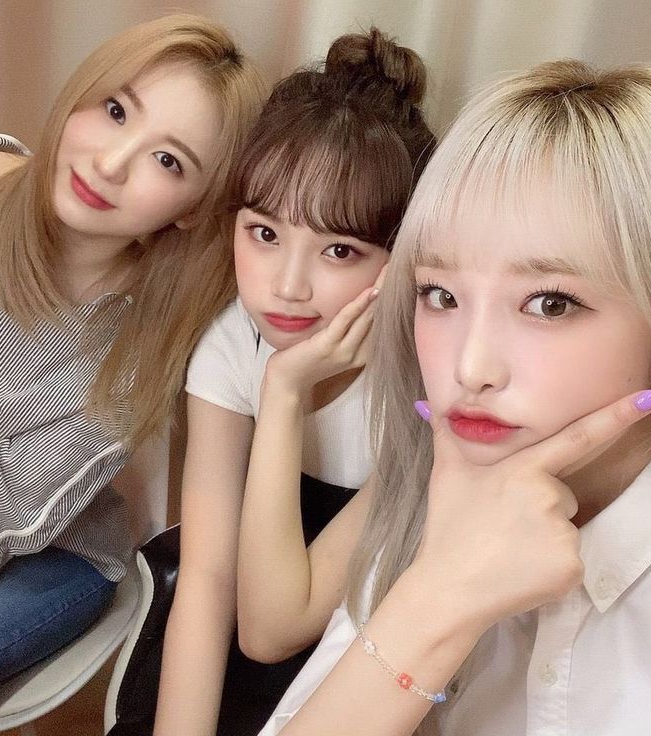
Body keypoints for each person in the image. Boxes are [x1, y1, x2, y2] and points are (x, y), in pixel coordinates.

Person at [258, 59, 651, 736]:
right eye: (440, 295)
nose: (470, 368)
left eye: (550, 303)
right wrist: (438, 601)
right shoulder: (438, 498)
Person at [0, 14, 262, 695]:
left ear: (193, 208)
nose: (109, 163)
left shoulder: (133, 360)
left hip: (46, 553)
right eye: (116, 110)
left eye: (168, 161)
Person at [154, 27, 435, 736]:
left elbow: (271, 631)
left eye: (339, 249)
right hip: (254, 579)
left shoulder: (428, 380)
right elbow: (209, 580)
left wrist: (283, 394)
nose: (286, 286)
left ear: (401, 256)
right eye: (264, 233)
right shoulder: (230, 341)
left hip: (368, 626)